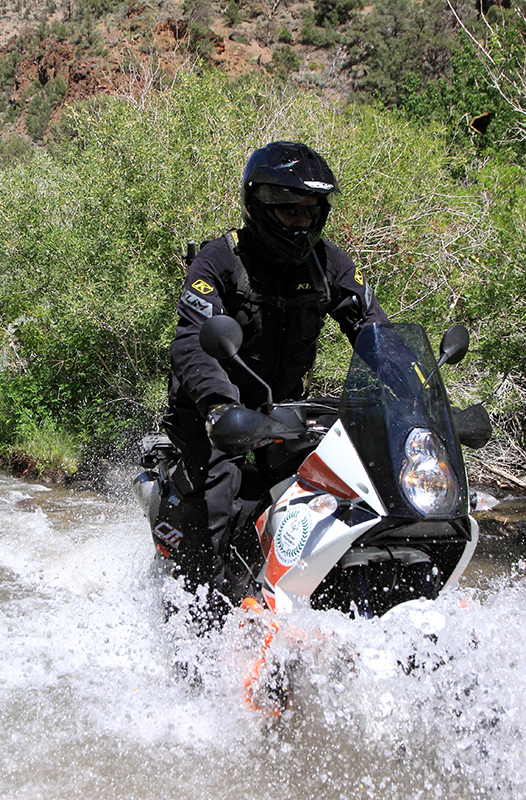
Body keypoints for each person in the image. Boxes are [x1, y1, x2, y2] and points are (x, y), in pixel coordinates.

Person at [165, 141, 389, 616]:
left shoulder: (328, 264)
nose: (301, 221)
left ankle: (324, 599)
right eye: (290, 210)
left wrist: (414, 388)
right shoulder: (220, 260)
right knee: (217, 496)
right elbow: (192, 340)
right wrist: (219, 405)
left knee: (350, 487)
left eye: (311, 211)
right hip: (215, 412)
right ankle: (198, 617)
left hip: (282, 410)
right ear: (260, 204)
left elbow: (374, 331)